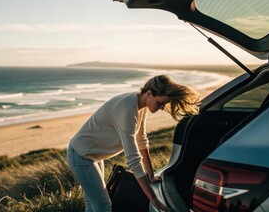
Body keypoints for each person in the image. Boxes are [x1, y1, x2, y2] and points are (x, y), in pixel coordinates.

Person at [67, 75, 200, 212]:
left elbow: (141, 140)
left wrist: (151, 175)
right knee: (103, 206)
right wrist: (153, 199)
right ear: (149, 94)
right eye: (160, 102)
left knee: (94, 205)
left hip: (92, 156)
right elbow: (133, 159)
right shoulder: (127, 108)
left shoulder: (140, 107)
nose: (161, 107)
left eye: (164, 104)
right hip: (81, 156)